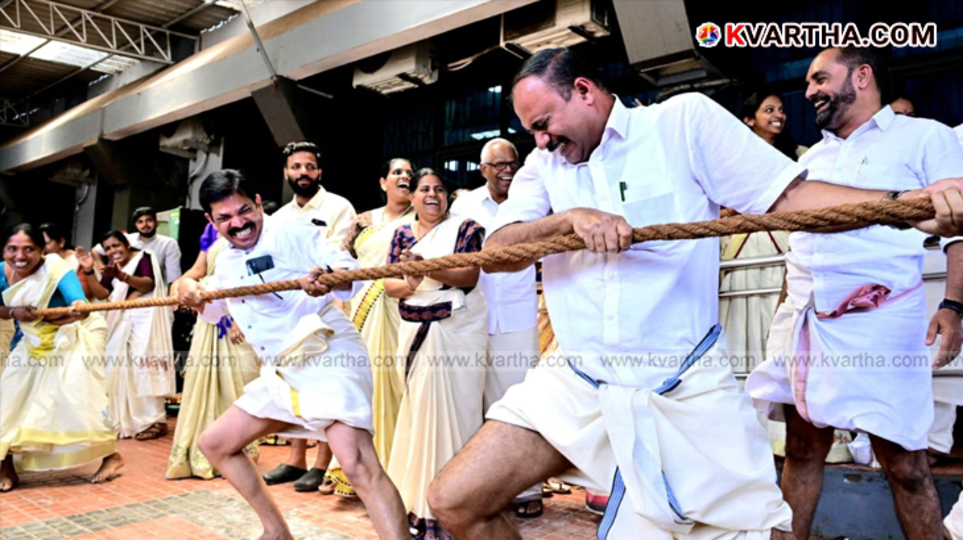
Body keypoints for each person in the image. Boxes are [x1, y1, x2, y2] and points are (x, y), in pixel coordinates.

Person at [426, 47, 963, 540]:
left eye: (543, 124)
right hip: (577, 379)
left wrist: (906, 203)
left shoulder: (681, 122)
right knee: (454, 500)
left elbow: (793, 198)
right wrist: (568, 219)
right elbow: (500, 250)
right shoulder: (545, 167)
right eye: (531, 131)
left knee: (757, 527)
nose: (539, 141)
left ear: (585, 91)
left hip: (681, 385)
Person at [746, 47, 963, 540]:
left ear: (862, 76)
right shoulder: (811, 160)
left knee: (905, 462)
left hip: (883, 324)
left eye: (820, 78)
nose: (809, 92)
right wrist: (785, 310)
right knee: (801, 448)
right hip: (806, 323)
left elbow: (958, 231)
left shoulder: (925, 136)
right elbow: (799, 245)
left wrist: (952, 306)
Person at [176, 169, 408, 539]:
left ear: (256, 202)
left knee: (357, 464)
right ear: (210, 220)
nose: (238, 224)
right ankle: (276, 531)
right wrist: (187, 287)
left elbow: (351, 272)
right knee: (216, 445)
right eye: (225, 218)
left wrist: (327, 278)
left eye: (244, 211)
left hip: (327, 353)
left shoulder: (295, 231)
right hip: (282, 370)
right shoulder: (225, 259)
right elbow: (215, 307)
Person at [382, 168, 488, 539]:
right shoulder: (401, 234)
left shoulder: (467, 228)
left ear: (448, 196)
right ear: (412, 198)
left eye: (439, 189)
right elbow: (391, 284)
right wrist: (411, 278)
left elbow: (470, 274)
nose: (432, 195)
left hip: (458, 327)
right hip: (414, 329)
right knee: (419, 414)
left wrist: (421, 266)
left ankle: (461, 503)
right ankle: (418, 504)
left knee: (459, 413)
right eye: (424, 189)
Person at [450, 138, 543, 518]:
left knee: (524, 401)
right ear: (483, 168)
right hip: (473, 317)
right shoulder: (464, 206)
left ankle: (528, 488)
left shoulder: (532, 201)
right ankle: (483, 490)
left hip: (518, 317)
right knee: (475, 404)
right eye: (499, 164)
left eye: (513, 162)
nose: (508, 169)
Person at [0, 224, 123, 491]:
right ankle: (5, 465)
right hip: (30, 342)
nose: (19, 256)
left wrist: (79, 309)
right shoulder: (1, 271)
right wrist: (13, 312)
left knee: (76, 403)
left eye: (29, 249)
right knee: (8, 400)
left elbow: (78, 303)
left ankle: (111, 456)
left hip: (66, 340)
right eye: (12, 249)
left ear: (42, 251)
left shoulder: (55, 267)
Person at [266, 140, 357, 493]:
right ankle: (295, 460)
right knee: (294, 383)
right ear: (286, 172)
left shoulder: (338, 206)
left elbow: (339, 255)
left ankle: (322, 464)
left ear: (319, 171)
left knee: (326, 385)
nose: (302, 173)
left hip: (328, 308)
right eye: (295, 167)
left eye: (309, 167)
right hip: (291, 311)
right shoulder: (280, 217)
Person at [321, 157, 416, 497]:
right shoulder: (363, 221)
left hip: (404, 306)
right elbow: (341, 261)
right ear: (382, 182)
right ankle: (353, 467)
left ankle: (398, 467)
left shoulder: (422, 218)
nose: (404, 176)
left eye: (409, 173)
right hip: (361, 310)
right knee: (363, 385)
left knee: (398, 384)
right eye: (397, 172)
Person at [165, 224, 261, 480]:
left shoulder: (254, 227)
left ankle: (238, 450)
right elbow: (199, 270)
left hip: (241, 311)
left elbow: (257, 279)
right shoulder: (210, 230)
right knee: (204, 380)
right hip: (209, 312)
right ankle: (203, 451)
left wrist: (239, 319)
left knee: (240, 381)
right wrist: (180, 285)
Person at [78, 231, 176, 441]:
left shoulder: (144, 257)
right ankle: (127, 419)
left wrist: (120, 276)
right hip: (121, 319)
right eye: (109, 249)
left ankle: (154, 421)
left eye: (116, 246)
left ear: (127, 244)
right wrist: (88, 271)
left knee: (144, 366)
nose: (113, 251)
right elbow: (102, 294)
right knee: (120, 367)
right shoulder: (113, 267)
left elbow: (148, 284)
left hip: (145, 318)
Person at [94, 207, 182, 286]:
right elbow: (95, 251)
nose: (145, 225)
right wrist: (102, 267)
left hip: (154, 292)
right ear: (136, 225)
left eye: (149, 220)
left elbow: (174, 278)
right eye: (140, 222)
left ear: (157, 223)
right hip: (123, 287)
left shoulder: (168, 243)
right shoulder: (127, 239)